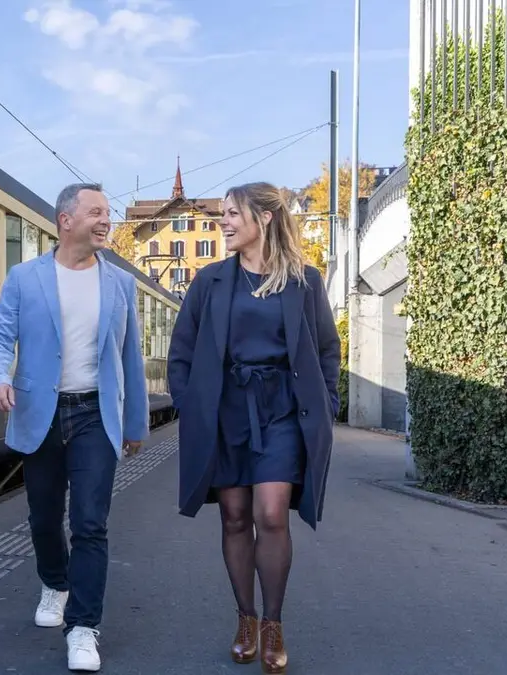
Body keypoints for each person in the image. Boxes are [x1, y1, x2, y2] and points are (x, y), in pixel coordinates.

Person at [166, 181, 340, 674]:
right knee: (235, 517)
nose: (224, 222)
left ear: (263, 218)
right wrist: (192, 406)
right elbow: (181, 352)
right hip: (225, 414)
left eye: (232, 214)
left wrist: (327, 404)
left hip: (283, 413)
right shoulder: (210, 282)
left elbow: (328, 350)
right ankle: (245, 618)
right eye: (222, 214)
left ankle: (273, 625)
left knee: (271, 513)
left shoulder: (304, 282)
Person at [0, 182, 149, 672]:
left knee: (91, 524)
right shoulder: (25, 278)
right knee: (43, 518)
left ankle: (83, 627)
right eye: (96, 212)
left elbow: (129, 358)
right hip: (42, 412)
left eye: (108, 213)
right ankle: (54, 582)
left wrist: (134, 423)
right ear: (65, 219)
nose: (106, 221)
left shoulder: (120, 284)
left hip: (96, 413)